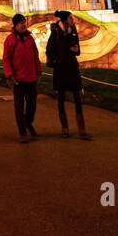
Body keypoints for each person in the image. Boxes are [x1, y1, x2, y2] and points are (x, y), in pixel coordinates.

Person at [46, 10, 90, 139]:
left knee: (77, 96)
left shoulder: (73, 30)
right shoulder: (55, 32)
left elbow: (77, 50)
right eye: (71, 18)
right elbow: (50, 48)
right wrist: (55, 59)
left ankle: (81, 128)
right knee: (61, 98)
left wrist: (75, 50)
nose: (73, 19)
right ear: (65, 19)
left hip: (72, 67)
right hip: (60, 68)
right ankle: (64, 128)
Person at [2, 14, 41, 143]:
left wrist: (38, 71)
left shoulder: (30, 39)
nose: (23, 25)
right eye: (20, 23)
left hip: (31, 78)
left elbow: (35, 56)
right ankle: (22, 131)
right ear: (15, 25)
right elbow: (6, 59)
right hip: (17, 79)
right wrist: (9, 75)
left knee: (32, 105)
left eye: (24, 22)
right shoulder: (10, 40)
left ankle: (28, 123)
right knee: (19, 106)